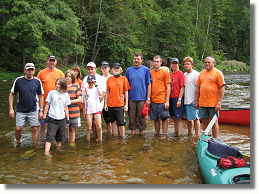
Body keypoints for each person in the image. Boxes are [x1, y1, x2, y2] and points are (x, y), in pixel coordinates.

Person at [9, 63, 44, 147]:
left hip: (33, 108)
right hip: (21, 109)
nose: (30, 72)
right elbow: (11, 94)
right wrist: (11, 109)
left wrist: (41, 110)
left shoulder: (37, 81)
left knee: (35, 128)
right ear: (25, 70)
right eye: (28, 70)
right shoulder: (19, 80)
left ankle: (35, 145)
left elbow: (41, 95)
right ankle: (18, 141)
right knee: (18, 128)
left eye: (32, 70)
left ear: (34, 71)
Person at [195, 56, 226, 138]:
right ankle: (205, 138)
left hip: (213, 104)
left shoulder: (218, 73)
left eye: (209, 62)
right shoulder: (201, 73)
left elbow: (222, 88)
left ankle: (215, 139)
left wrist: (219, 103)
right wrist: (196, 101)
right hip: (202, 103)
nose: (207, 64)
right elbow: (198, 87)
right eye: (205, 62)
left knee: (214, 122)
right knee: (204, 121)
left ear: (213, 63)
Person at [37, 54, 65, 143]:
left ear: (56, 62)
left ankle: (54, 141)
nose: (51, 62)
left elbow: (64, 89)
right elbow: (36, 88)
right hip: (44, 103)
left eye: (53, 60)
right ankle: (41, 142)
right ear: (47, 61)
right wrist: (39, 105)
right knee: (43, 124)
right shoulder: (41, 73)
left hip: (57, 104)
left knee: (57, 124)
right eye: (50, 60)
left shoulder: (60, 73)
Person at [125, 52, 152, 136]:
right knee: (131, 115)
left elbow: (149, 84)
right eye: (135, 59)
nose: (136, 60)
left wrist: (148, 98)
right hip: (131, 97)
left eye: (138, 59)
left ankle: (141, 131)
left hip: (142, 97)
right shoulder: (128, 70)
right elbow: (125, 84)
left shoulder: (146, 70)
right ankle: (132, 131)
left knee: (141, 115)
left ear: (141, 60)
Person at [42, 78, 70, 155]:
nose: (57, 85)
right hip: (52, 118)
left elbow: (66, 107)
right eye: (56, 84)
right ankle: (46, 153)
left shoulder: (66, 95)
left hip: (62, 119)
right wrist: (44, 117)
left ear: (63, 85)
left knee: (60, 137)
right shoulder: (52, 93)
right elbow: (47, 105)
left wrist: (67, 119)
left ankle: (58, 152)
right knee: (49, 137)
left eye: (58, 84)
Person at [81, 62, 106, 140]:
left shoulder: (101, 79)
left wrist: (100, 100)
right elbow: (83, 95)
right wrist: (84, 110)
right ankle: (95, 138)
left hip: (98, 106)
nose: (90, 71)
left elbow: (104, 92)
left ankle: (99, 139)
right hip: (89, 107)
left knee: (97, 124)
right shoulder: (85, 79)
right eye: (89, 69)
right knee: (90, 126)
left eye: (92, 69)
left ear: (95, 69)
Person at [104, 63, 130, 138]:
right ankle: (115, 137)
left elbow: (126, 92)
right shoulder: (109, 79)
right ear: (112, 70)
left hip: (120, 104)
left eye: (117, 68)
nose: (116, 70)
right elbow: (107, 92)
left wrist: (126, 105)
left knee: (121, 123)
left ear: (120, 69)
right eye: (114, 68)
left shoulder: (124, 79)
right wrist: (105, 104)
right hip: (110, 104)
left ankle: (122, 138)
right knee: (113, 122)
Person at [150, 55, 171, 138]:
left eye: (157, 62)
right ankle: (157, 133)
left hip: (162, 99)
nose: (156, 63)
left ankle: (164, 135)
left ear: (161, 63)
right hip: (153, 99)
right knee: (155, 119)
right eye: (154, 61)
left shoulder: (165, 72)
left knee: (164, 118)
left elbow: (168, 86)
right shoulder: (150, 72)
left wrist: (167, 101)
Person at [183, 57, 201, 137]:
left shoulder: (196, 74)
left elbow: (199, 88)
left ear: (192, 65)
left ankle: (197, 135)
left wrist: (197, 100)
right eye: (185, 64)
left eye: (188, 64)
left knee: (196, 118)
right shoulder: (184, 75)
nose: (186, 66)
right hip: (186, 100)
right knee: (189, 119)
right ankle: (189, 134)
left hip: (194, 100)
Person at [82, 75, 103, 142]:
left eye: (91, 82)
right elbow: (83, 102)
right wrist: (84, 112)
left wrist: (96, 85)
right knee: (89, 127)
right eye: (89, 82)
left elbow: (101, 94)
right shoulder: (84, 90)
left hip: (96, 109)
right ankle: (88, 141)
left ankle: (100, 140)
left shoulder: (96, 88)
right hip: (88, 110)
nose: (90, 83)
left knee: (99, 126)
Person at [65, 70, 82, 146]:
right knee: (64, 129)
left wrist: (69, 101)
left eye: (70, 76)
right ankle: (66, 143)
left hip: (74, 111)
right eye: (67, 76)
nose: (68, 78)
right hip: (63, 112)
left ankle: (72, 144)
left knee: (72, 129)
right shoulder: (62, 86)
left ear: (73, 78)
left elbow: (80, 99)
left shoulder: (76, 86)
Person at [169, 57, 185, 136]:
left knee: (178, 117)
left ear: (178, 64)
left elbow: (182, 87)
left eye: (176, 63)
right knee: (174, 117)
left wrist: (179, 99)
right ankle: (176, 132)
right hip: (171, 98)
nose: (174, 65)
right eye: (173, 63)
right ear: (171, 65)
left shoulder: (180, 73)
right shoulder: (170, 74)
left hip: (177, 98)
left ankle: (179, 134)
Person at [100, 61, 113, 135]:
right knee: (107, 121)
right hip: (102, 101)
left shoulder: (112, 77)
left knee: (113, 121)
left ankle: (114, 134)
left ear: (109, 68)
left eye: (106, 68)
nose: (104, 69)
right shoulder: (99, 78)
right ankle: (109, 134)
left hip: (111, 101)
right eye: (103, 68)